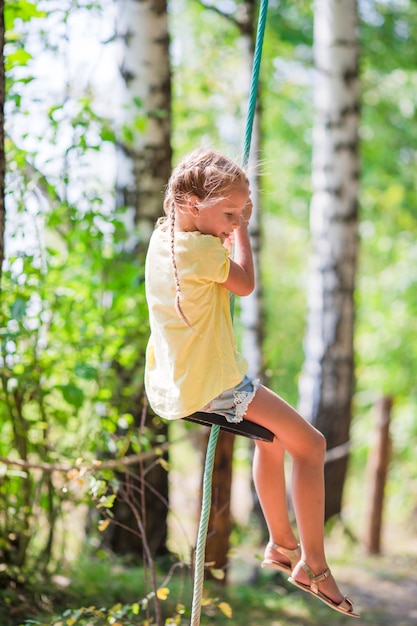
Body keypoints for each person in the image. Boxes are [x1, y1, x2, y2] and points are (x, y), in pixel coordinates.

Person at [144, 148, 359, 619]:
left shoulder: (165, 238)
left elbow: (210, 251)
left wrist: (227, 217)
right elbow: (244, 283)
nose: (233, 222)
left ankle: (282, 545)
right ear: (189, 201)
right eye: (228, 213)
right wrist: (241, 233)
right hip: (215, 383)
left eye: (239, 214)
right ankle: (314, 564)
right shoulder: (201, 249)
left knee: (273, 440)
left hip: (179, 383)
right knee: (313, 445)